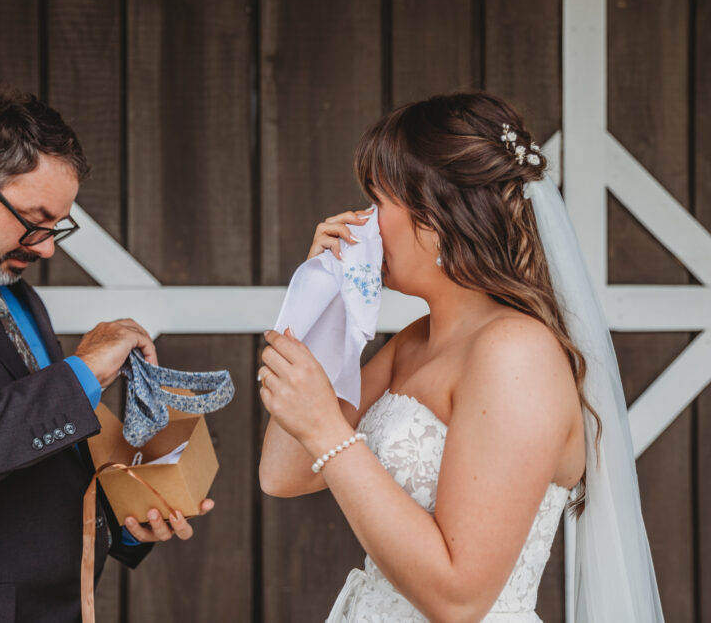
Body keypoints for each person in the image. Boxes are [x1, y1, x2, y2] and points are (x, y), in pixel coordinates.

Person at [258, 92, 663, 621]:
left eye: (376, 201)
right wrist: (327, 300)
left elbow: (460, 596)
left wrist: (328, 433)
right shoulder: (414, 341)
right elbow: (282, 475)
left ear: (437, 216)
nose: (360, 222)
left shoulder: (517, 353)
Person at [0, 91, 212, 622]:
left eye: (57, 227)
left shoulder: (17, 294)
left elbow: (32, 453)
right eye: (35, 219)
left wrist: (130, 513)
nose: (45, 248)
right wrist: (82, 373)